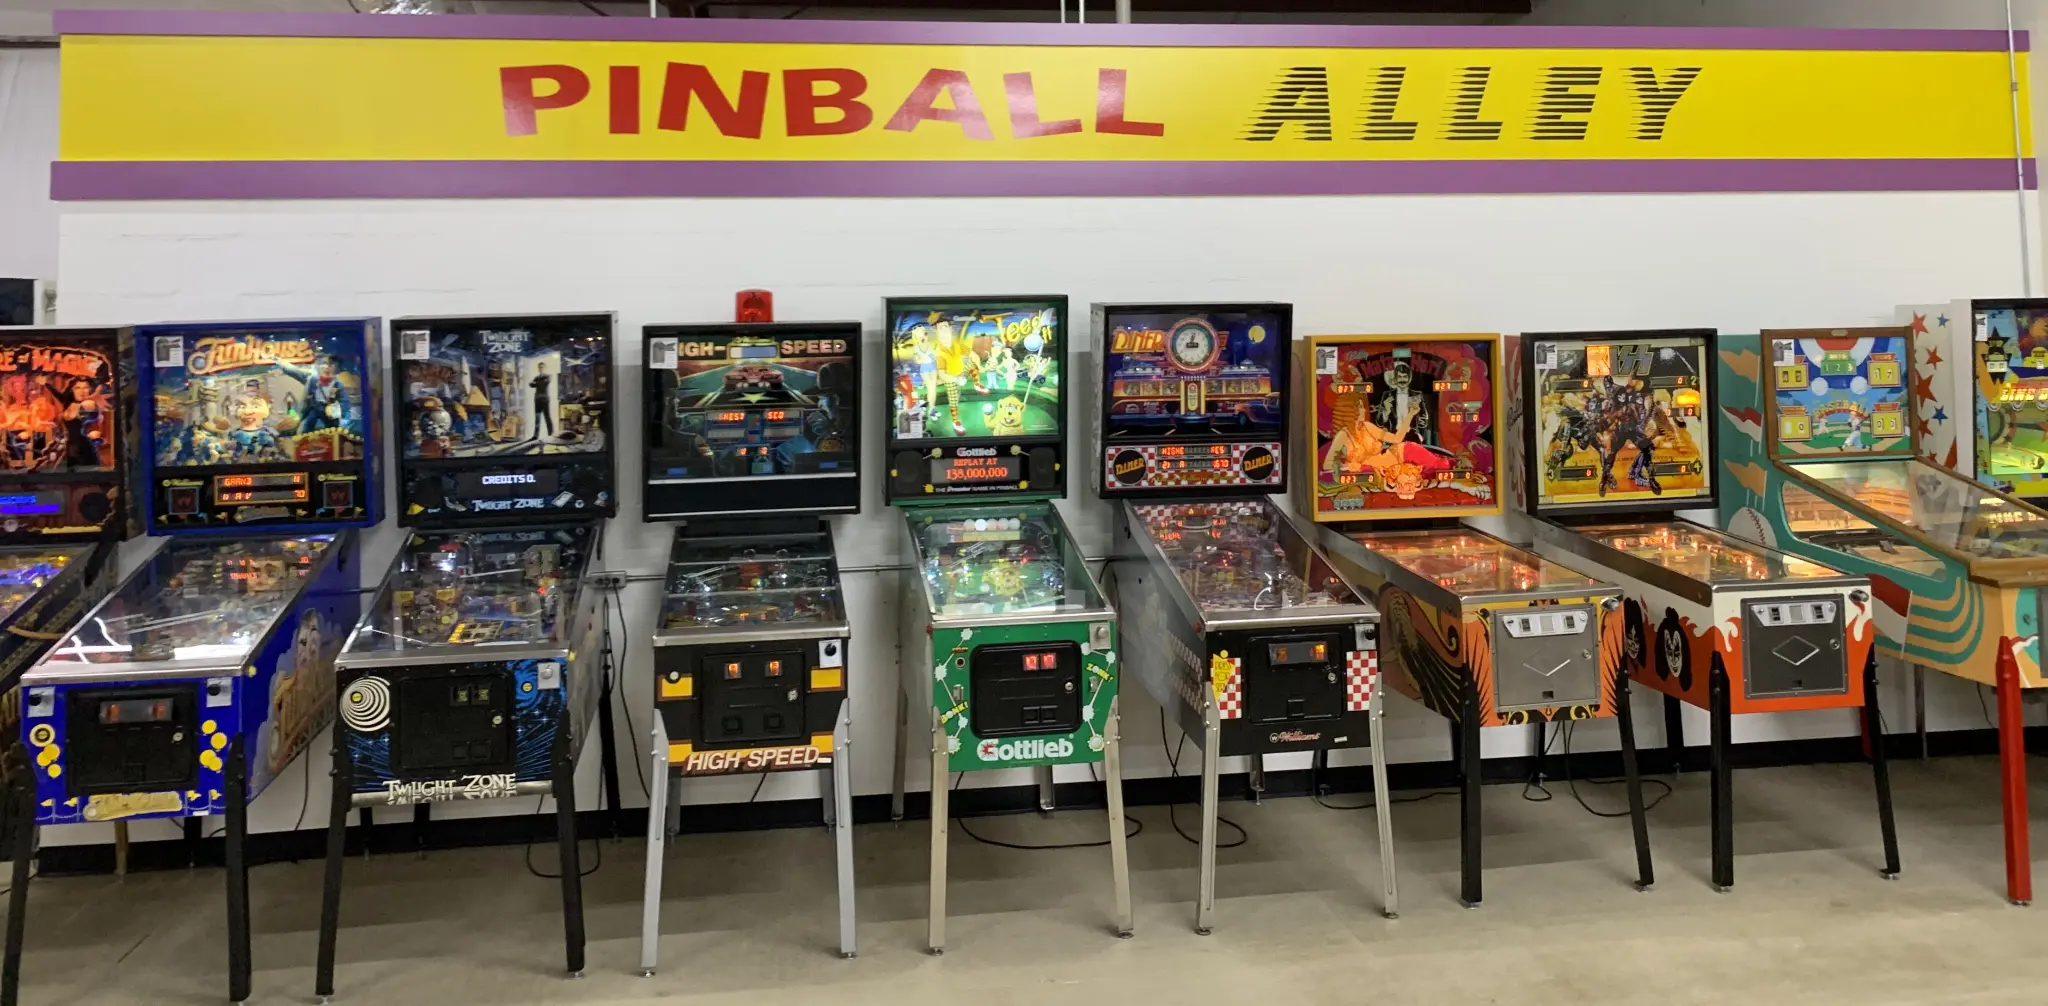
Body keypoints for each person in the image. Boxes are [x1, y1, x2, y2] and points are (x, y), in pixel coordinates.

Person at [529, 360, 555, 440]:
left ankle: (551, 435)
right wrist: (537, 383)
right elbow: (530, 384)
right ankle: (535, 436)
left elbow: (543, 384)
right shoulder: (537, 377)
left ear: (545, 368)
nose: (540, 368)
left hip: (545, 399)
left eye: (542, 367)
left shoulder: (548, 376)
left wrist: (536, 383)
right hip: (537, 400)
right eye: (539, 367)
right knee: (537, 418)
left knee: (547, 417)